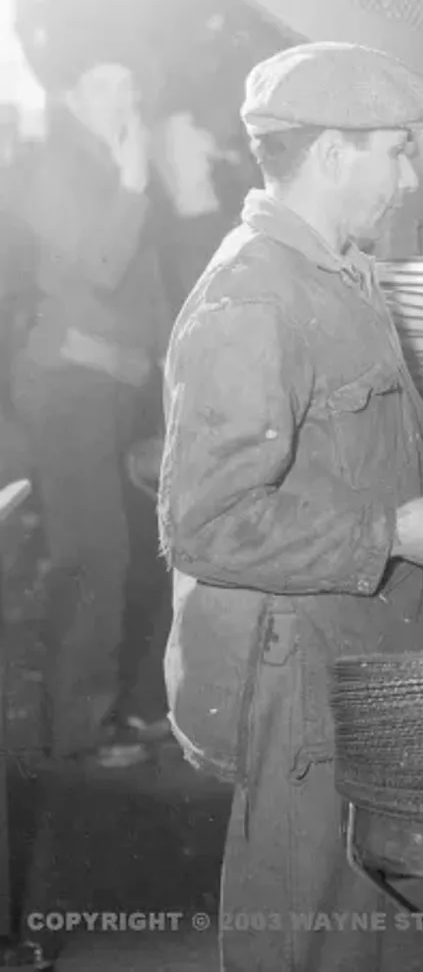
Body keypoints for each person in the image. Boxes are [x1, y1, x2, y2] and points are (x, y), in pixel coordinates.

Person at [160, 42, 423, 972]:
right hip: (306, 689)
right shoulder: (251, 298)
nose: (411, 176)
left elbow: (327, 446)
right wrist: (391, 533)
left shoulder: (340, 270)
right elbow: (204, 523)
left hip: (375, 657)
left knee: (396, 932)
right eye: (396, 151)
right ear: (334, 154)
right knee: (315, 937)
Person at [10, 57, 170, 763]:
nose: (123, 100)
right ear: (72, 92)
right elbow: (104, 264)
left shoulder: (105, 164)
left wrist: (160, 360)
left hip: (111, 386)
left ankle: (124, 707)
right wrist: (136, 181)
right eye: (106, 85)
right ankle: (76, 737)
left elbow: (139, 284)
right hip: (68, 390)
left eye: (129, 85)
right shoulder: (54, 167)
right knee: (93, 556)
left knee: (132, 554)